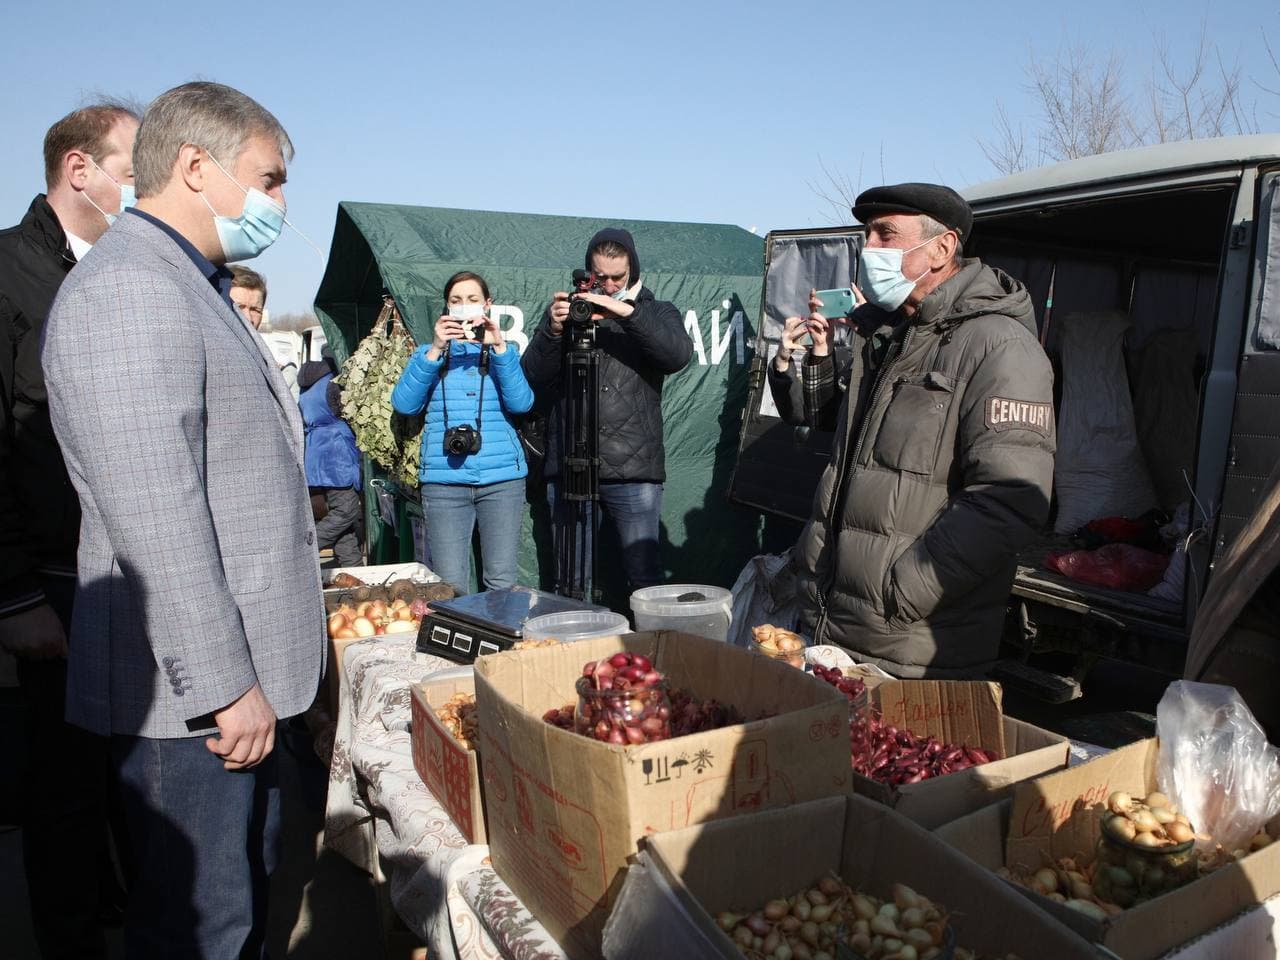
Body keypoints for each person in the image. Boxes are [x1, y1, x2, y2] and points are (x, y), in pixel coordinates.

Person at [41, 81, 324, 959]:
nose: (280, 202)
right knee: (198, 926)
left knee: (238, 905)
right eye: (270, 179)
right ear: (196, 167)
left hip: (235, 687)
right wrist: (220, 685)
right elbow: (155, 512)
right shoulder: (133, 290)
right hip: (193, 703)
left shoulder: (186, 283)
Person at [792, 183, 1055, 678]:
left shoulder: (999, 346)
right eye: (867, 235)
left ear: (941, 248)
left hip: (913, 643)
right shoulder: (890, 334)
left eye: (885, 235)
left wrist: (905, 592)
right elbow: (845, 445)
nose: (868, 249)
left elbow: (1011, 500)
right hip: (836, 626)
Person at [0, 99, 139, 960]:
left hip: (126, 573)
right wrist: (13, 594)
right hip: (51, 580)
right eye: (134, 162)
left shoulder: (127, 270)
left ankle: (115, 901)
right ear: (78, 169)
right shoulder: (11, 273)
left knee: (125, 776)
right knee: (61, 788)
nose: (147, 179)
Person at [522, 229, 693, 594]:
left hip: (634, 468)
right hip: (571, 464)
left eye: (619, 277)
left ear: (634, 269)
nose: (611, 285)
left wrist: (624, 313)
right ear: (588, 272)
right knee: (569, 581)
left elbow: (676, 355)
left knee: (644, 578)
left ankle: (649, 650)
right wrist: (553, 330)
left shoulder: (657, 311)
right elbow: (532, 378)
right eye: (602, 277)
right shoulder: (568, 313)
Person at [392, 271, 534, 594]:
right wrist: (435, 350)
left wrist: (499, 347)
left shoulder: (503, 353)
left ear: (487, 305)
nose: (464, 306)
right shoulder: (430, 354)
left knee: (500, 582)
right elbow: (404, 404)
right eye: (456, 300)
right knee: (450, 586)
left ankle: (501, 645)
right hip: (444, 484)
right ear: (446, 307)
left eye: (472, 300)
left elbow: (522, 403)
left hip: (501, 482)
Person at [299, 348, 362, 566]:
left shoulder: (308, 382)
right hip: (336, 456)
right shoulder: (334, 381)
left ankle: (354, 576)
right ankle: (303, 548)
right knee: (347, 512)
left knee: (345, 530)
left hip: (315, 454)